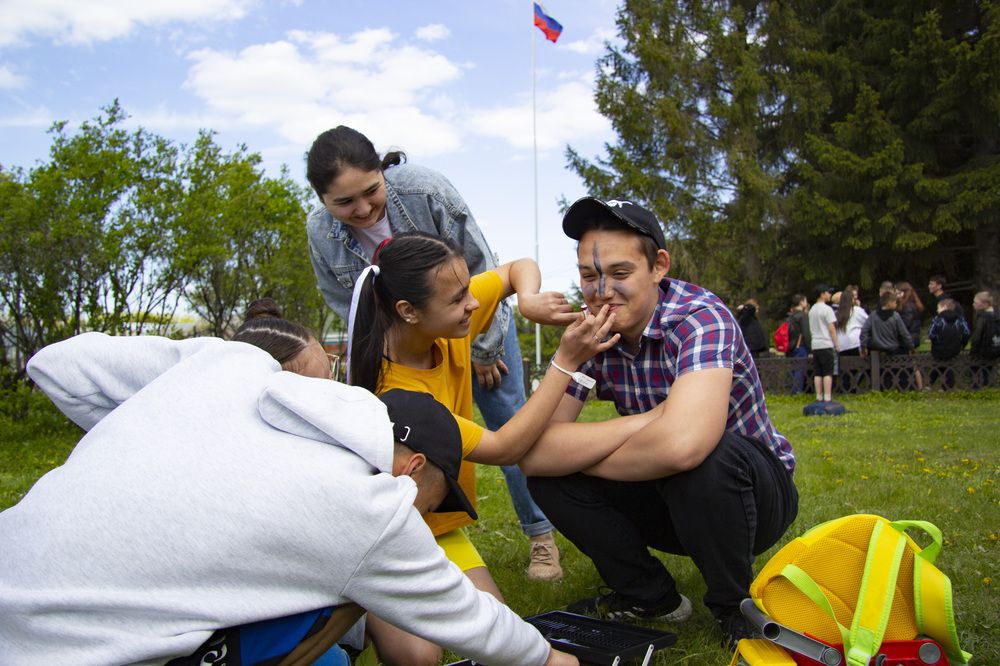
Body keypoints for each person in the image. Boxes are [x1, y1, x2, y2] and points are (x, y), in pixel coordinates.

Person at [0, 303, 577, 666]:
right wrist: (552, 661)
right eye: (438, 498)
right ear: (412, 467)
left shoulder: (231, 366)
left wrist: (143, 438)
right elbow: (467, 617)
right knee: (351, 589)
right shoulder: (365, 509)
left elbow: (59, 364)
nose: (428, 514)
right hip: (90, 651)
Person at [520, 197, 798, 648]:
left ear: (658, 266)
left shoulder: (699, 317)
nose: (603, 291)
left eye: (621, 273)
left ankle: (733, 606)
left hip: (753, 497)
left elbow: (683, 447)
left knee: (707, 455)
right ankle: (651, 597)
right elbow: (531, 451)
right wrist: (644, 417)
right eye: (589, 276)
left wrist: (580, 453)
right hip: (668, 491)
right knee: (549, 479)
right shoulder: (593, 332)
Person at [305, 126, 563, 582]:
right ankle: (416, 537)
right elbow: (344, 304)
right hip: (406, 344)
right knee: (428, 445)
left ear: (382, 171)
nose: (363, 210)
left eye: (370, 191)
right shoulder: (320, 234)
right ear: (322, 201)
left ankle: (540, 534)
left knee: (511, 426)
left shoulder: (425, 191)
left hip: (469, 329)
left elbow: (481, 271)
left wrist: (481, 348)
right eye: (344, 204)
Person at [347, 231, 614, 664]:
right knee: (418, 658)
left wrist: (525, 300)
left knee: (501, 633)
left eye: (468, 291)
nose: (472, 304)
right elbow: (505, 447)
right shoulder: (396, 395)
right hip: (387, 539)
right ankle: (355, 603)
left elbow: (514, 269)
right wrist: (565, 362)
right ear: (408, 312)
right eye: (457, 300)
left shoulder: (445, 319)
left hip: (441, 526)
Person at [927, 298, 970, 390]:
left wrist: (936, 343)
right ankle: (944, 386)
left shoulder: (937, 319)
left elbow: (931, 334)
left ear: (944, 307)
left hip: (938, 350)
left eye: (938, 308)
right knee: (944, 364)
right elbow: (966, 333)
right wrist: (962, 345)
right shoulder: (960, 319)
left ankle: (931, 384)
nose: (937, 310)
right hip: (955, 350)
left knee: (939, 364)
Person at [808, 284, 839, 402]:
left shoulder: (812, 310)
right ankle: (827, 396)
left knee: (818, 372)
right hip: (826, 343)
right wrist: (836, 344)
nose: (830, 294)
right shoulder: (827, 309)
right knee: (827, 372)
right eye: (828, 292)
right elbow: (831, 328)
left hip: (815, 344)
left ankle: (818, 395)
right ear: (822, 294)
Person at [834, 285, 868, 392]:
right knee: (864, 366)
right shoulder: (856, 311)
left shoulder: (837, 313)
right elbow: (867, 323)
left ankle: (845, 387)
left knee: (846, 370)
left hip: (842, 346)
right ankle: (854, 387)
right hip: (854, 344)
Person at [969, 290, 999, 387]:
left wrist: (973, 350)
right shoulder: (997, 313)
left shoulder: (982, 316)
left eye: (976, 302)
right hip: (996, 347)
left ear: (985, 304)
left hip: (982, 350)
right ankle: (989, 386)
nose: (973, 304)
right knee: (989, 369)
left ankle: (975, 388)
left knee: (974, 368)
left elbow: (977, 336)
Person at [786, 294, 811, 394]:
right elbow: (806, 333)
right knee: (799, 369)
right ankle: (797, 391)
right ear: (801, 302)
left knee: (793, 368)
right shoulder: (802, 316)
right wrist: (810, 348)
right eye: (805, 301)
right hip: (800, 345)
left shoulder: (790, 316)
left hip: (790, 345)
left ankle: (792, 388)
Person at [895, 281, 925, 349]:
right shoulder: (914, 304)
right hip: (912, 337)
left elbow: (906, 324)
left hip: (907, 339)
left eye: (898, 293)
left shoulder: (907, 306)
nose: (896, 295)